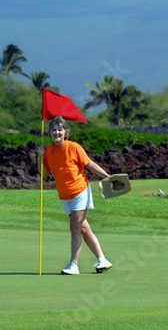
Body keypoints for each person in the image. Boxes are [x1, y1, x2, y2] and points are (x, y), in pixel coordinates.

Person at [40, 116, 113, 275]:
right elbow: (44, 175)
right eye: (53, 130)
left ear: (66, 132)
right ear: (50, 133)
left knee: (75, 227)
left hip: (80, 191)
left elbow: (90, 164)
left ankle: (73, 265)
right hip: (64, 196)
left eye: (60, 129)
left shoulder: (74, 147)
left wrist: (106, 176)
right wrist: (39, 159)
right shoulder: (48, 151)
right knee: (84, 229)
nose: (57, 132)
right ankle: (102, 259)